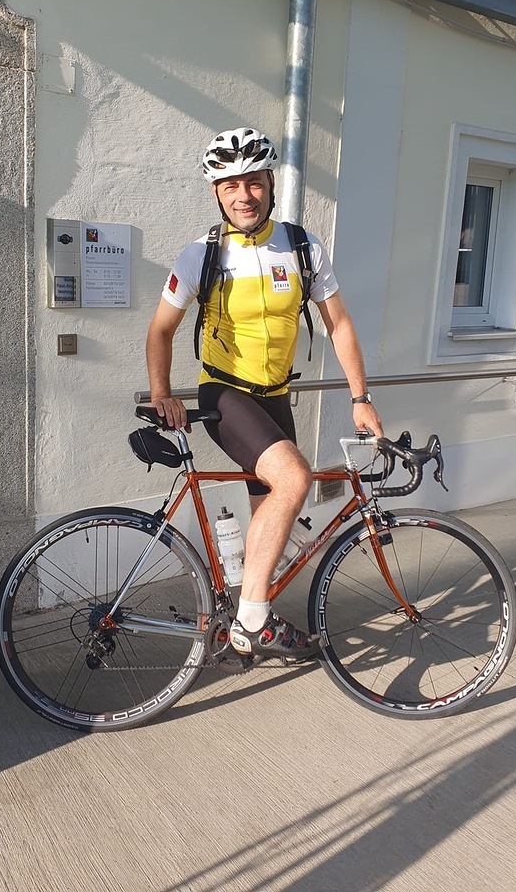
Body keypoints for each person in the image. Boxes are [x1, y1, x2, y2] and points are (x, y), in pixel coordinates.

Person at [145, 127, 384, 663]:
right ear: (216, 193)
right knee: (295, 479)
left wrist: (360, 398)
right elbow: (160, 329)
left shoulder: (301, 247)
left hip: (276, 397)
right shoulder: (201, 255)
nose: (243, 195)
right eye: (230, 185)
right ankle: (253, 624)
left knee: (271, 518)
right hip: (225, 395)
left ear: (270, 185)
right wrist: (162, 391)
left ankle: (246, 613)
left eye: (253, 182)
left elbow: (340, 324)